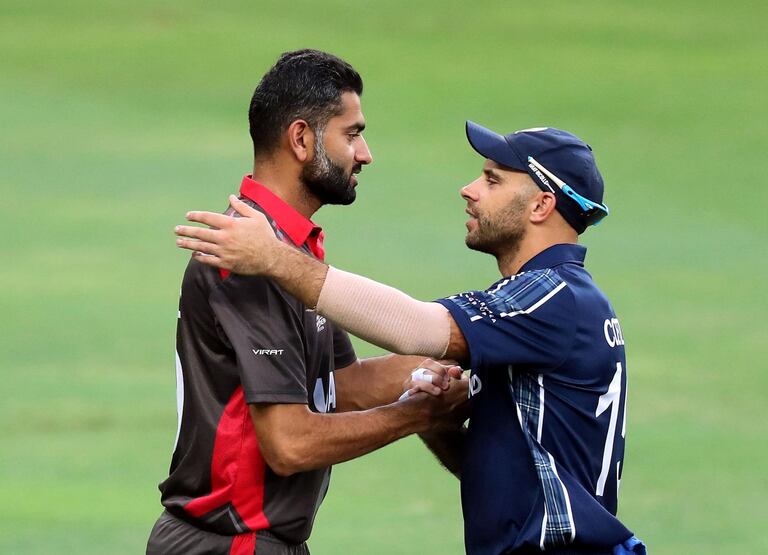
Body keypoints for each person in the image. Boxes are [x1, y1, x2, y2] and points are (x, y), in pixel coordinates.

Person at [175, 121, 648, 555]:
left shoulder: (551, 298)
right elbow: (506, 474)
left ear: (543, 204)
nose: (469, 190)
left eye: (493, 179)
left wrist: (276, 258)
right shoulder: (543, 301)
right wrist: (433, 417)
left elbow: (418, 328)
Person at [149, 49, 467, 555]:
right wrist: (416, 416)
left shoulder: (284, 252)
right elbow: (290, 444)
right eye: (353, 134)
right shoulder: (250, 258)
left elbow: (337, 383)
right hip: (231, 544)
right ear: (301, 139)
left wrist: (433, 368)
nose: (365, 154)